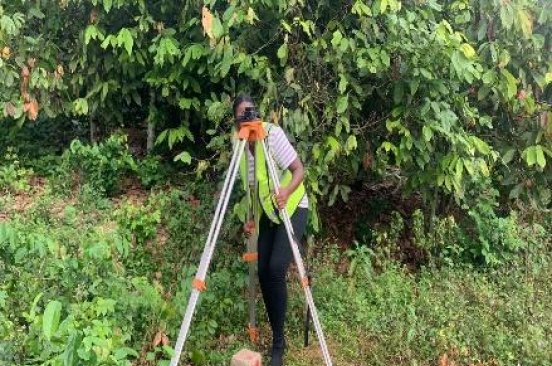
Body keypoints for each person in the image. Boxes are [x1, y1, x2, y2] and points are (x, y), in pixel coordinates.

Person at [233, 95, 309, 366]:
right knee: (263, 270)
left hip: (294, 206)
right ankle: (278, 330)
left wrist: (286, 191)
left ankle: (279, 342)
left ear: (258, 115)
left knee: (276, 268)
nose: (247, 119)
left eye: (250, 113)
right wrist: (251, 218)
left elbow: (299, 169)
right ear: (236, 123)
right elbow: (253, 189)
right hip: (268, 213)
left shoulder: (272, 135)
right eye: (242, 115)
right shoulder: (240, 146)